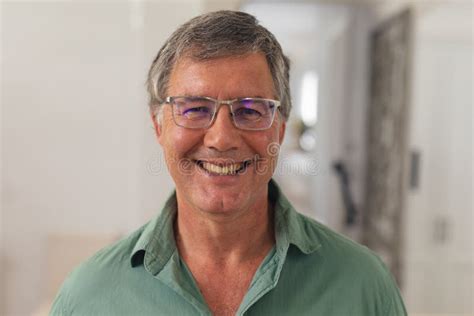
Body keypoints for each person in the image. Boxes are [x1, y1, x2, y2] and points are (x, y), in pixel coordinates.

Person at [50, 10, 407, 316]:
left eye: (251, 110)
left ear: (280, 129)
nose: (221, 138)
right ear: (158, 124)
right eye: (194, 109)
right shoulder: (88, 297)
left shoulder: (363, 287)